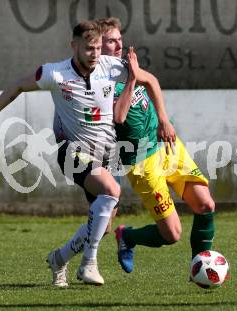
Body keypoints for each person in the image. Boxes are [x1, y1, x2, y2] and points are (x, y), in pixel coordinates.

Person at [0, 20, 173, 287]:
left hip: (106, 155)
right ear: (73, 46)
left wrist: (163, 117)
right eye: (88, 48)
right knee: (111, 190)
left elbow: (151, 80)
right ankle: (89, 264)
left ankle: (59, 259)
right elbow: (17, 85)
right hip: (73, 151)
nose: (95, 53)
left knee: (104, 224)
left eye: (98, 47)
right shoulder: (55, 73)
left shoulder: (111, 67)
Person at [96, 17, 216, 274]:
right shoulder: (97, 79)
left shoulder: (125, 64)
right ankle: (128, 237)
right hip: (140, 160)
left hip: (166, 144)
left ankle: (200, 269)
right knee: (172, 234)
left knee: (205, 204)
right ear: (98, 45)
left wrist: (163, 119)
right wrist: (130, 79)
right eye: (111, 41)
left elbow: (151, 81)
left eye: (119, 39)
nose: (118, 45)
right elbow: (119, 116)